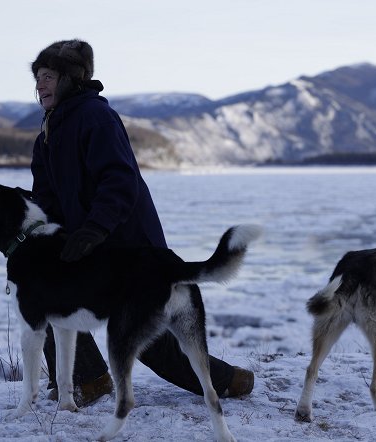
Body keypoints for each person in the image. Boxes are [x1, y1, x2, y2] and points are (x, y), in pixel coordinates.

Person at [29, 39, 254, 406]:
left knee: (145, 335)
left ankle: (229, 381)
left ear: (71, 79)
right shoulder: (48, 134)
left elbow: (119, 180)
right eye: (37, 77)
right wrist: (45, 233)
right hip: (91, 243)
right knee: (54, 293)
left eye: (49, 76)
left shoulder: (95, 117)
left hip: (127, 241)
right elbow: (47, 195)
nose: (41, 84)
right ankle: (87, 379)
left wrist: (94, 229)